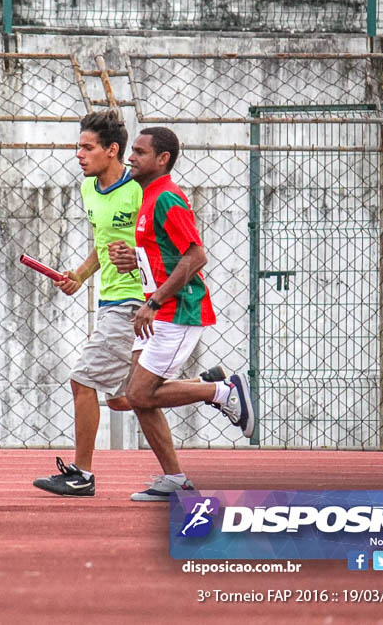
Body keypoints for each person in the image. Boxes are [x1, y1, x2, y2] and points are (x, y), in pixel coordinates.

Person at [32, 111, 225, 498]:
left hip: (135, 301)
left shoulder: (142, 188)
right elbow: (104, 242)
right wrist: (82, 275)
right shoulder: (90, 189)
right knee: (126, 398)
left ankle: (81, 474)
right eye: (78, 147)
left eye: (87, 148)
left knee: (83, 381)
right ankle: (206, 393)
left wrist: (151, 296)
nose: (79, 155)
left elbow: (172, 248)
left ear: (112, 150)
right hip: (111, 300)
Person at [106, 126, 254, 502]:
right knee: (136, 399)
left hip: (176, 310)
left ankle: (221, 390)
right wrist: (132, 261)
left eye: (139, 152)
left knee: (139, 395)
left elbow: (196, 255)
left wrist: (153, 302)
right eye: (132, 151)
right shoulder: (148, 196)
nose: (130, 158)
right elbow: (163, 256)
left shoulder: (168, 198)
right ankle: (175, 478)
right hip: (157, 310)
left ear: (162, 159)